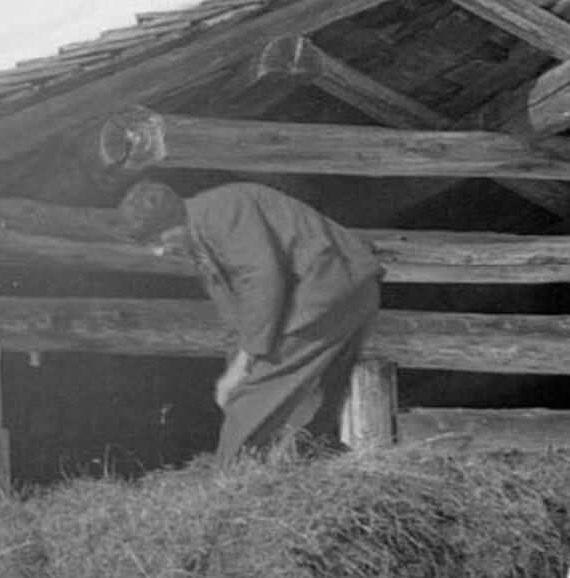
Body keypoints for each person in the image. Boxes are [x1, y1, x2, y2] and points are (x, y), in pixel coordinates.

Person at [118, 171, 385, 459]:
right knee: (309, 391)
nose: (159, 252)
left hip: (329, 287)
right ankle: (299, 464)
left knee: (255, 394)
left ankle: (228, 482)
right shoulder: (203, 240)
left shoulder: (225, 210)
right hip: (345, 290)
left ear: (176, 221)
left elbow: (263, 281)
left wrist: (243, 373)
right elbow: (236, 319)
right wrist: (234, 374)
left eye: (159, 239)